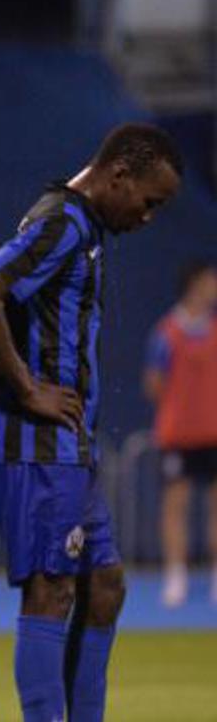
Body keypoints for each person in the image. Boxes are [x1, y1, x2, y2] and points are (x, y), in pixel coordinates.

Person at [0, 122, 183, 722]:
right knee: (51, 588)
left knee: (105, 584)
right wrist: (28, 389)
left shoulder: (86, 230)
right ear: (119, 175)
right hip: (34, 442)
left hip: (69, 446)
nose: (147, 217)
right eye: (148, 201)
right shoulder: (59, 221)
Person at [144, 259, 217, 607]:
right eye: (210, 281)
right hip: (177, 436)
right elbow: (153, 384)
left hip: (214, 433)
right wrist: (182, 409)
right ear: (195, 285)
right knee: (176, 507)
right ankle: (176, 577)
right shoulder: (166, 333)